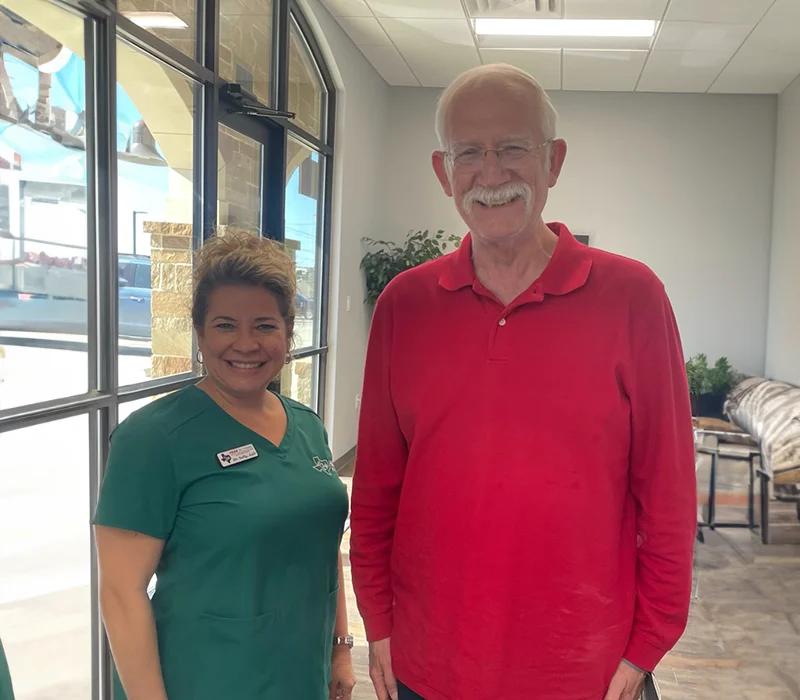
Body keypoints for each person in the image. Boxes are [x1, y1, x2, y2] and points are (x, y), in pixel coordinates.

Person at [350, 64, 696, 700]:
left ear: (554, 161)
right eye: (469, 153)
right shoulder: (405, 305)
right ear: (441, 170)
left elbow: (667, 492)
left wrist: (648, 644)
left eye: (513, 148)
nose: (491, 173)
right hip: (431, 665)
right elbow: (376, 486)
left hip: (586, 672)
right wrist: (379, 622)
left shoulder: (633, 298)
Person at [93, 230, 355, 700]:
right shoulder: (154, 438)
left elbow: (323, 543)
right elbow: (120, 593)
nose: (246, 344)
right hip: (205, 676)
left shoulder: (307, 425)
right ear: (199, 333)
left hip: (299, 673)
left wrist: (339, 648)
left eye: (264, 325)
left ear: (288, 332)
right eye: (226, 325)